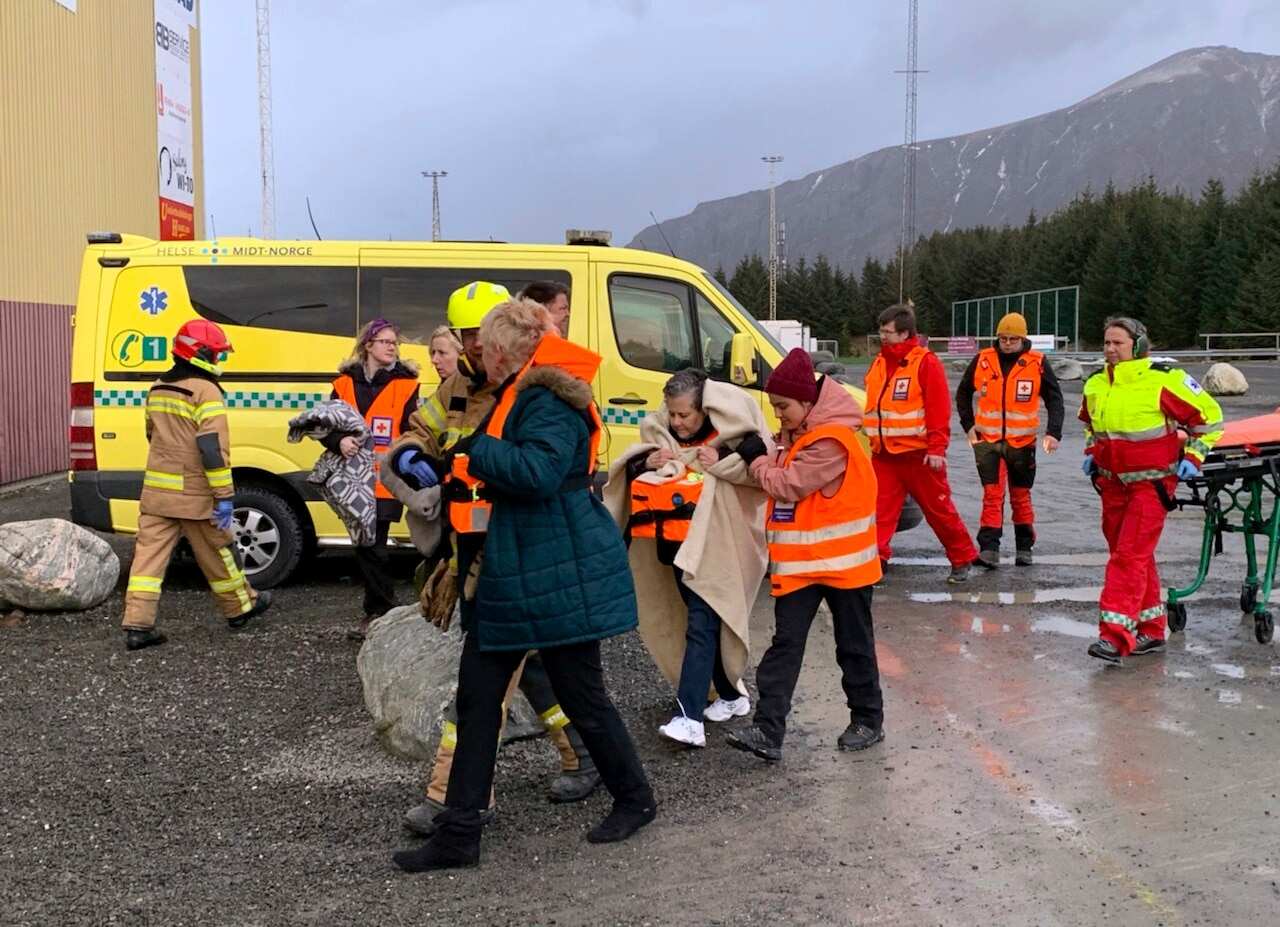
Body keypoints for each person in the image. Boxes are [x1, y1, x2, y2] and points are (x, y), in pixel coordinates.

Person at [392, 299, 656, 872]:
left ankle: (635, 799)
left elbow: (537, 474)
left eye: (485, 348)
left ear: (507, 351)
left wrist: (473, 449)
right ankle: (460, 832)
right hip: (522, 568)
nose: (477, 357)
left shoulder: (546, 399)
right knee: (479, 699)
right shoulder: (532, 393)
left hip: (549, 569)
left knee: (579, 695)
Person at [725, 348, 884, 762]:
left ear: (809, 403)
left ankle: (867, 719)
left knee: (854, 646)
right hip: (802, 567)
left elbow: (788, 484)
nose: (778, 415)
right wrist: (766, 456)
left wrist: (757, 458)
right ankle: (767, 730)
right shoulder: (801, 435)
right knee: (785, 646)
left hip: (844, 567)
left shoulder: (832, 440)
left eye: (783, 406)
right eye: (775, 407)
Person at [605, 368, 769, 748]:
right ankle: (731, 696)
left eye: (686, 415)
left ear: (704, 410)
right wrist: (646, 464)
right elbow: (628, 471)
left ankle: (690, 717)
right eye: (673, 414)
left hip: (718, 549)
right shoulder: (658, 437)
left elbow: (760, 455)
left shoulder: (731, 439)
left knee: (701, 623)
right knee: (701, 623)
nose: (678, 423)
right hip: (675, 549)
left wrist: (722, 455)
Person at [120, 320, 272, 650]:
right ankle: (240, 608)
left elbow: (151, 434)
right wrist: (224, 497)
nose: (218, 362)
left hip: (157, 493)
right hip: (195, 495)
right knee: (219, 552)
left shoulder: (158, 387)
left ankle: (137, 625)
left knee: (147, 561)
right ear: (201, 354)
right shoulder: (206, 391)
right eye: (217, 355)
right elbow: (211, 449)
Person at [1080, 317, 1223, 665]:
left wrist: (1194, 455)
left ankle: (1114, 637)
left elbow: (1211, 419)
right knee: (1133, 555)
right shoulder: (1096, 384)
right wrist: (1090, 453)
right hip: (1112, 485)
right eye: (1107, 343)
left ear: (1138, 346)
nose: (1111, 350)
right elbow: (1091, 426)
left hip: (1152, 485)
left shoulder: (1164, 380)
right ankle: (1152, 630)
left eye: (1118, 343)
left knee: (1128, 556)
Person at [864, 303, 978, 583]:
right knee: (878, 512)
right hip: (884, 455)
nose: (882, 336)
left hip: (919, 456)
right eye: (881, 330)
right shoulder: (879, 363)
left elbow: (938, 409)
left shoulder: (925, 362)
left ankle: (962, 558)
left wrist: (937, 449)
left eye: (888, 332)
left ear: (905, 334)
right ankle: (876, 561)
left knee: (939, 510)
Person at [329, 319, 421, 641]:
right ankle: (381, 608)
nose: (391, 346)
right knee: (364, 545)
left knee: (373, 543)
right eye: (384, 341)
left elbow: (412, 430)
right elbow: (325, 423)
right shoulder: (342, 384)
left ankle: (380, 611)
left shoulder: (407, 384)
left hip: (384, 479)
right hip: (350, 480)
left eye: (394, 342)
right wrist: (338, 440)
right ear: (368, 345)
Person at [955, 312, 1065, 567]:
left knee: (1020, 495)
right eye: (1003, 338)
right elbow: (962, 394)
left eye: (1012, 339)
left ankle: (1024, 547)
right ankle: (989, 550)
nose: (1006, 343)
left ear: (1022, 338)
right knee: (991, 495)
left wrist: (1053, 432)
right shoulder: (983, 360)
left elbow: (1055, 399)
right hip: (988, 442)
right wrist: (969, 426)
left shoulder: (1037, 362)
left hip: (1022, 443)